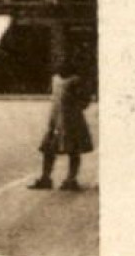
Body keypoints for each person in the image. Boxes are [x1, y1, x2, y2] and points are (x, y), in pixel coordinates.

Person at [31, 57, 94, 191]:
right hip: (55, 120)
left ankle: (71, 179)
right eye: (58, 65)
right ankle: (46, 178)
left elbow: (85, 100)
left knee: (73, 150)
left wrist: (75, 109)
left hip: (71, 121)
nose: (59, 67)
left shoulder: (75, 81)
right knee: (48, 149)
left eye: (63, 65)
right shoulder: (55, 79)